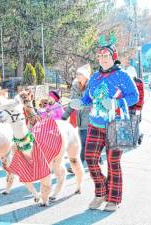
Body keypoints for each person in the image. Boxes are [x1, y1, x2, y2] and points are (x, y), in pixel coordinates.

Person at [70, 36, 138, 212]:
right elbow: (88, 97)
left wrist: (115, 103)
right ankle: (101, 192)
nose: (103, 59)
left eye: (106, 56)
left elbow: (134, 97)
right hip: (95, 124)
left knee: (113, 163)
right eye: (100, 56)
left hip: (116, 125)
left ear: (113, 57)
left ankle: (113, 199)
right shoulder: (94, 77)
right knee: (91, 159)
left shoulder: (122, 76)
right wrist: (81, 103)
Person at [62, 65, 91, 165]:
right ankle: (95, 159)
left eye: (80, 74)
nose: (77, 75)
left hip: (90, 118)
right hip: (80, 119)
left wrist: (81, 105)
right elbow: (73, 102)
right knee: (83, 141)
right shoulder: (76, 86)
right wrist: (65, 115)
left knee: (82, 142)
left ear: (85, 76)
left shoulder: (91, 86)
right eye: (77, 73)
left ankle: (79, 163)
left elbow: (92, 102)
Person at [123, 62, 144, 145]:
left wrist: (138, 106)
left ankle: (135, 140)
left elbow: (141, 95)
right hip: (128, 106)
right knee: (129, 123)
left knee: (135, 123)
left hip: (136, 107)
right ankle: (136, 136)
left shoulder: (139, 82)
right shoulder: (126, 82)